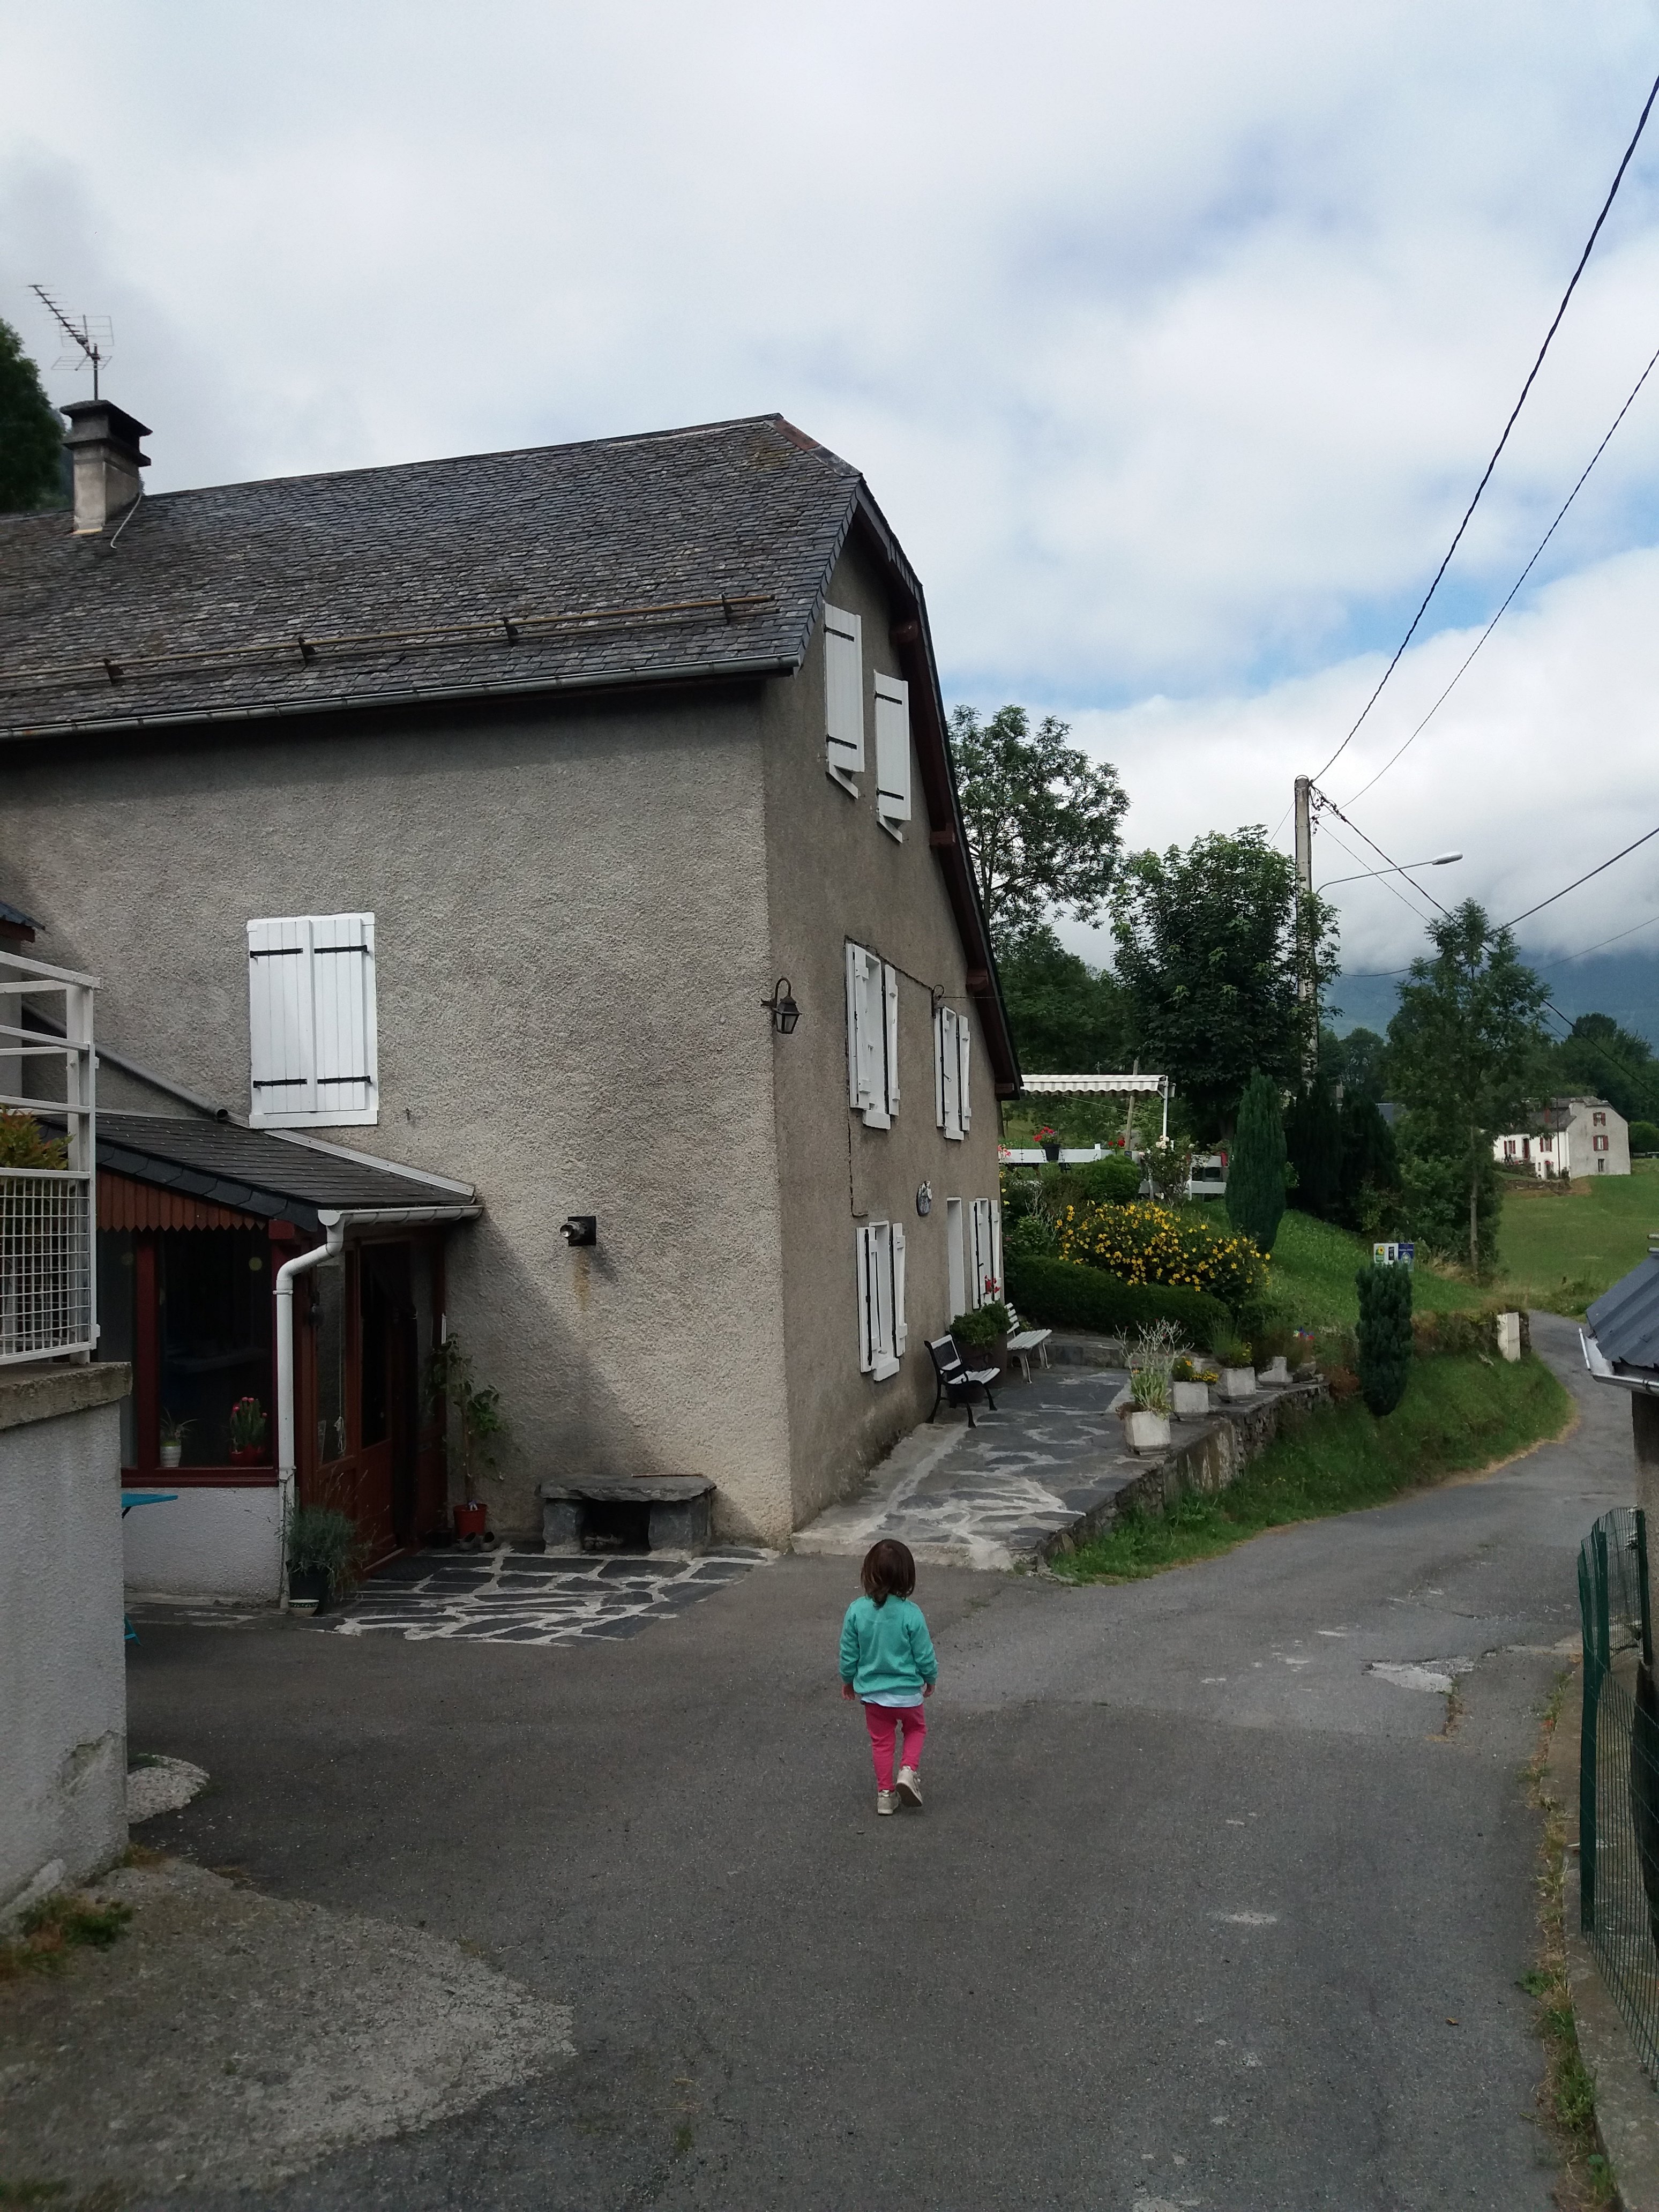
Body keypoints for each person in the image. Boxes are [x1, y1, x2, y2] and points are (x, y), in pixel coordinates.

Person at [840, 1538, 937, 1815]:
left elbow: (849, 1653)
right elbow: (925, 1654)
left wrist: (848, 1680)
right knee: (916, 1730)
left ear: (868, 1572)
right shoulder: (911, 1614)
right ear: (907, 1576)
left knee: (882, 1743)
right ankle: (908, 1770)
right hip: (907, 1694)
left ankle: (885, 1795)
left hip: (874, 1695)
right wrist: (930, 1677)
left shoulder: (856, 1611)